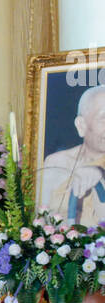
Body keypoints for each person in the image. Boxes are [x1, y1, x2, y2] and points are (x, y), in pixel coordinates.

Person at [40, 84, 105, 227]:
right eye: (103, 118)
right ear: (81, 125)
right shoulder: (56, 162)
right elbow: (39, 220)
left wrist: (100, 176)